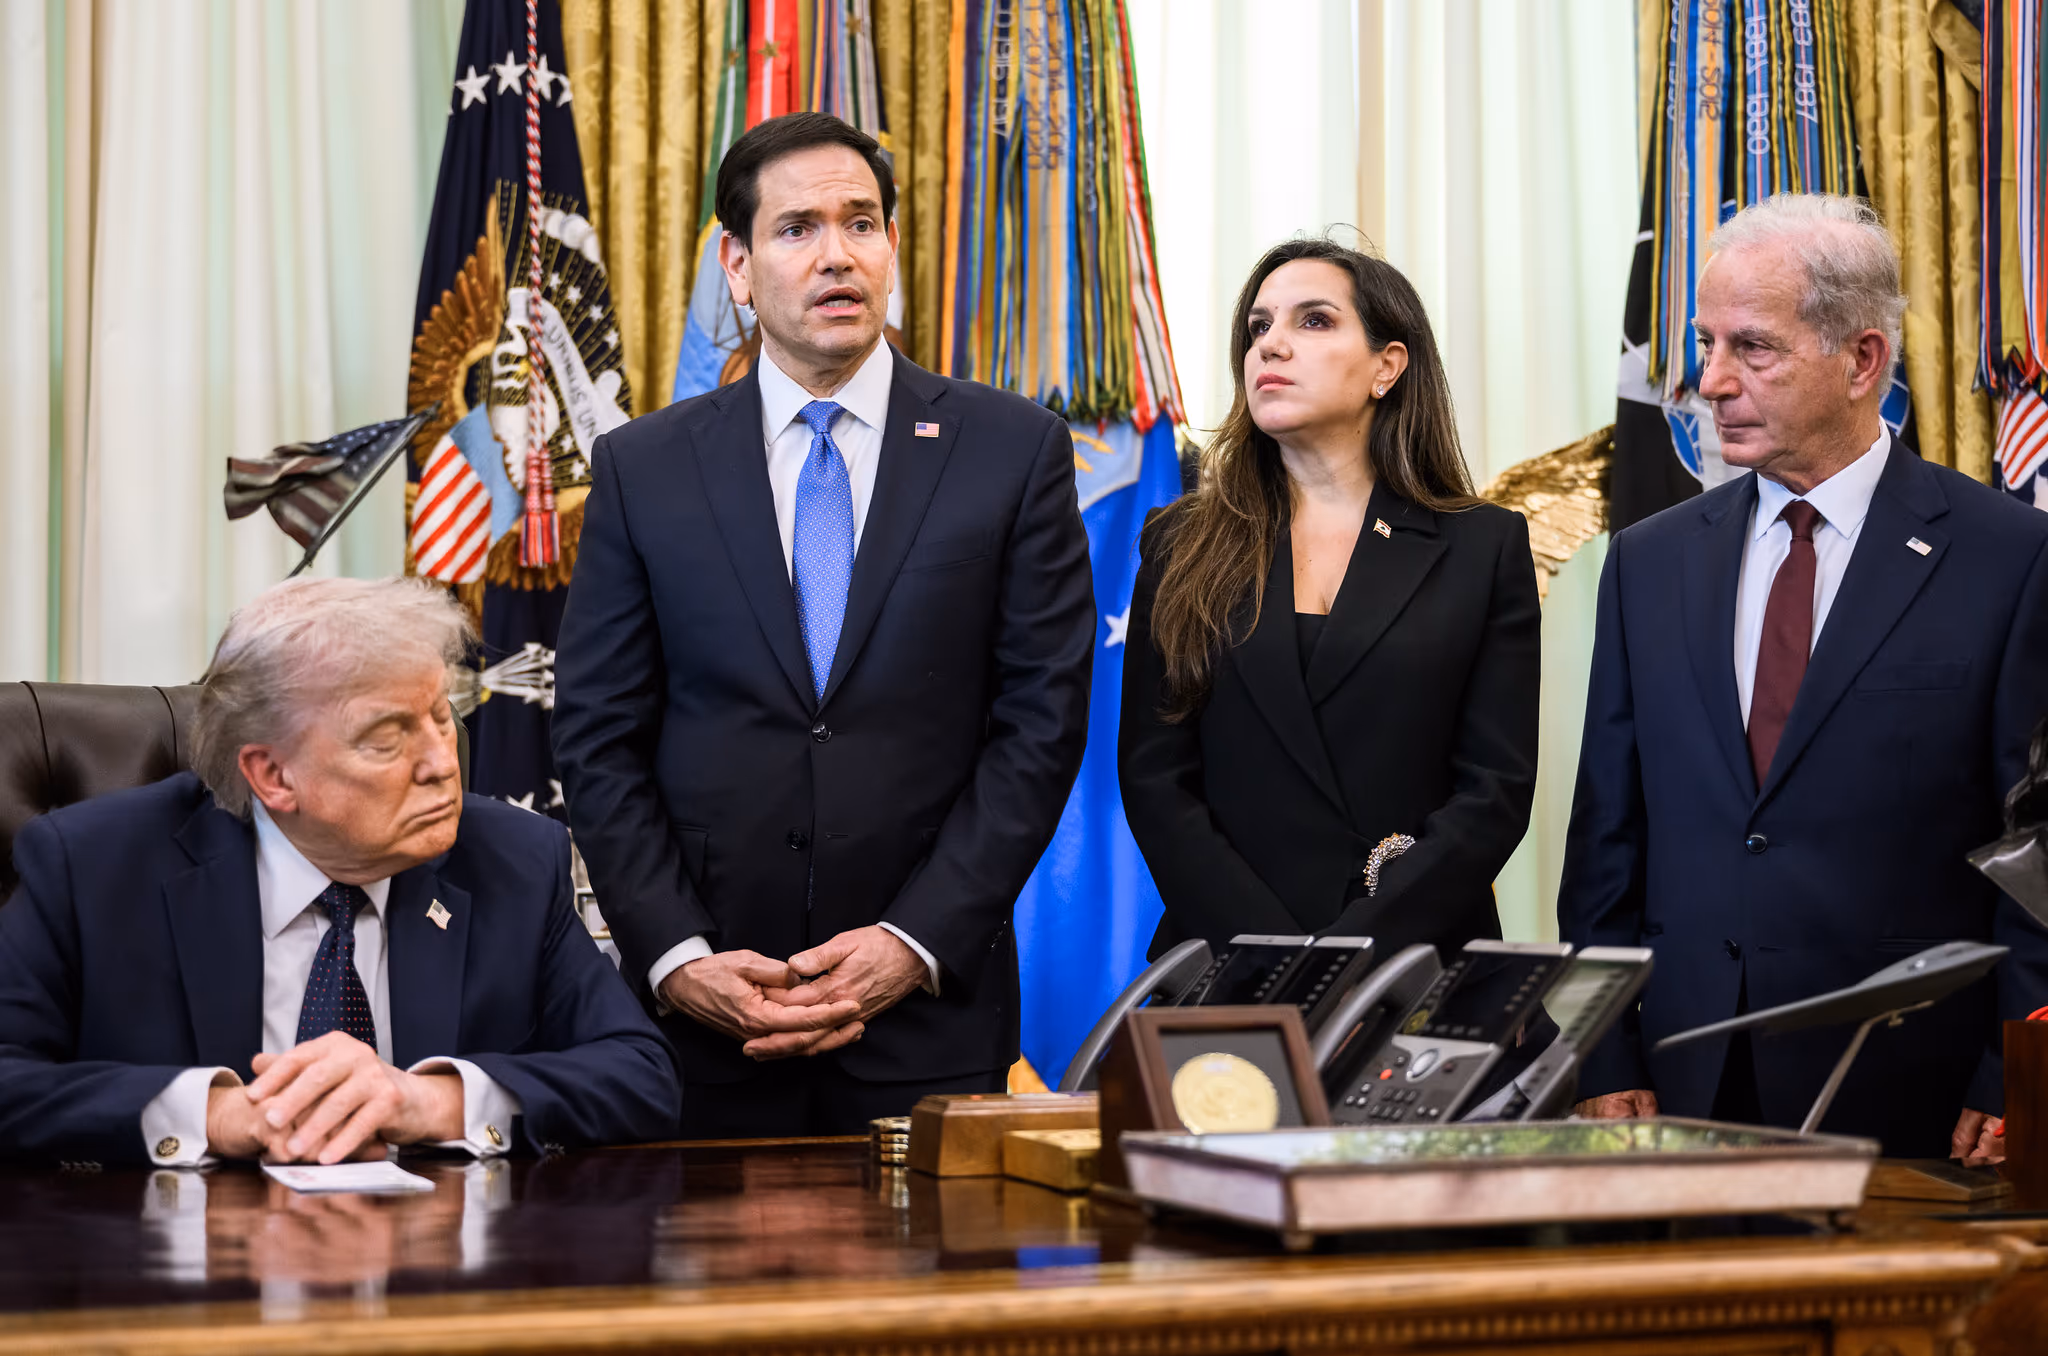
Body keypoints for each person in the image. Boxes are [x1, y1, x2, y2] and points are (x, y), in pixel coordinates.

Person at [552, 111, 1095, 1137]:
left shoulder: (1012, 450)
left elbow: (1041, 724)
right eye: (797, 228)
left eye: (861, 222)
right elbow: (597, 734)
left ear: (891, 247)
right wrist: (677, 956)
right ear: (737, 266)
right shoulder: (643, 467)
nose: (836, 254)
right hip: (706, 1022)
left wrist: (914, 941)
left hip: (928, 1011)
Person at [1559, 194, 2048, 1160]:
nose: (1711, 381)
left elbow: (2036, 851)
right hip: (1683, 1082)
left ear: (1862, 360)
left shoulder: (2010, 557)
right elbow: (1606, 842)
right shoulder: (1648, 563)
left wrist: (2014, 1068)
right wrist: (1600, 1053)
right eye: (1707, 344)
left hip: (1917, 1090)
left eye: (1753, 347)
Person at [0, 577, 679, 1166]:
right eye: (386, 739)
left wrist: (429, 1100)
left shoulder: (514, 861)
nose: (441, 763)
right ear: (273, 775)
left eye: (441, 718)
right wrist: (215, 1115)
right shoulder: (92, 867)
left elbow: (640, 1075)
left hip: (438, 1257)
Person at [1118, 238, 1540, 960]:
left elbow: (1493, 792)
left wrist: (1352, 951)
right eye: (1259, 326)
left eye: (1312, 320)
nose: (1271, 344)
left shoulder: (1484, 545)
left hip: (1415, 967)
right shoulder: (1179, 541)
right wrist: (1275, 954)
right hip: (1230, 967)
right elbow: (1155, 779)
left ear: (1387, 366)